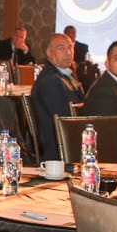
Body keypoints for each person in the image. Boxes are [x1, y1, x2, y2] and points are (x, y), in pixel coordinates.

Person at [31, 33, 85, 162]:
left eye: (70, 47)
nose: (68, 53)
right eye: (61, 48)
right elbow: (64, 118)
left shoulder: (66, 75)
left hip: (72, 138)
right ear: (49, 53)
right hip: (59, 147)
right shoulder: (50, 80)